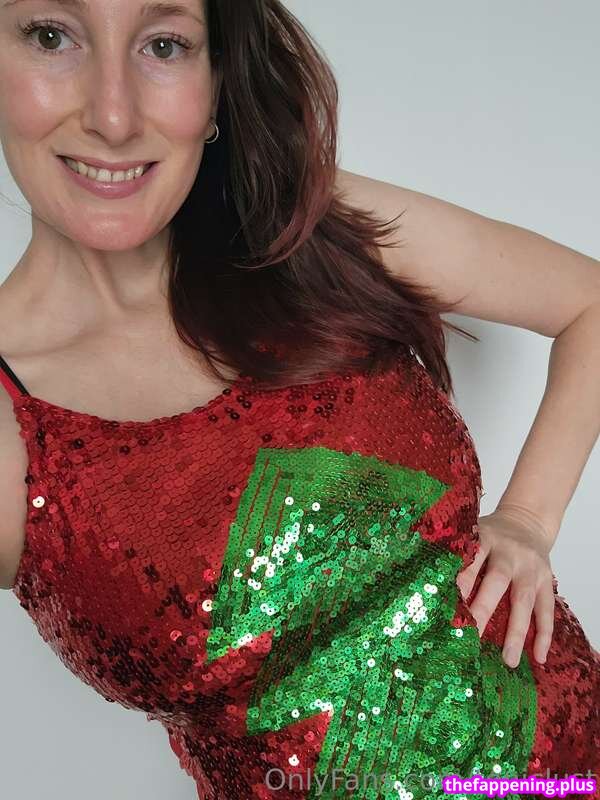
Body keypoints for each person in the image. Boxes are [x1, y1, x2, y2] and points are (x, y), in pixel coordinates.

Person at [0, 1, 598, 798]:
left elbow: (591, 303)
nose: (113, 115)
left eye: (165, 45)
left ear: (216, 82)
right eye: (51, 36)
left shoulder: (304, 227)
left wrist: (527, 518)